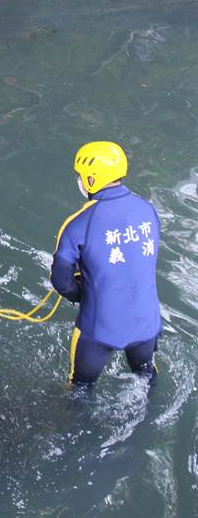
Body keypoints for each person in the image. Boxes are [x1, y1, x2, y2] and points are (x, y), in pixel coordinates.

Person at [51, 142, 162, 390]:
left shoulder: (78, 224)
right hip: (147, 323)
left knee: (80, 390)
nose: (78, 180)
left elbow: (60, 280)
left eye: (80, 176)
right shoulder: (148, 210)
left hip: (98, 330)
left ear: (91, 180)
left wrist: (82, 293)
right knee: (146, 378)